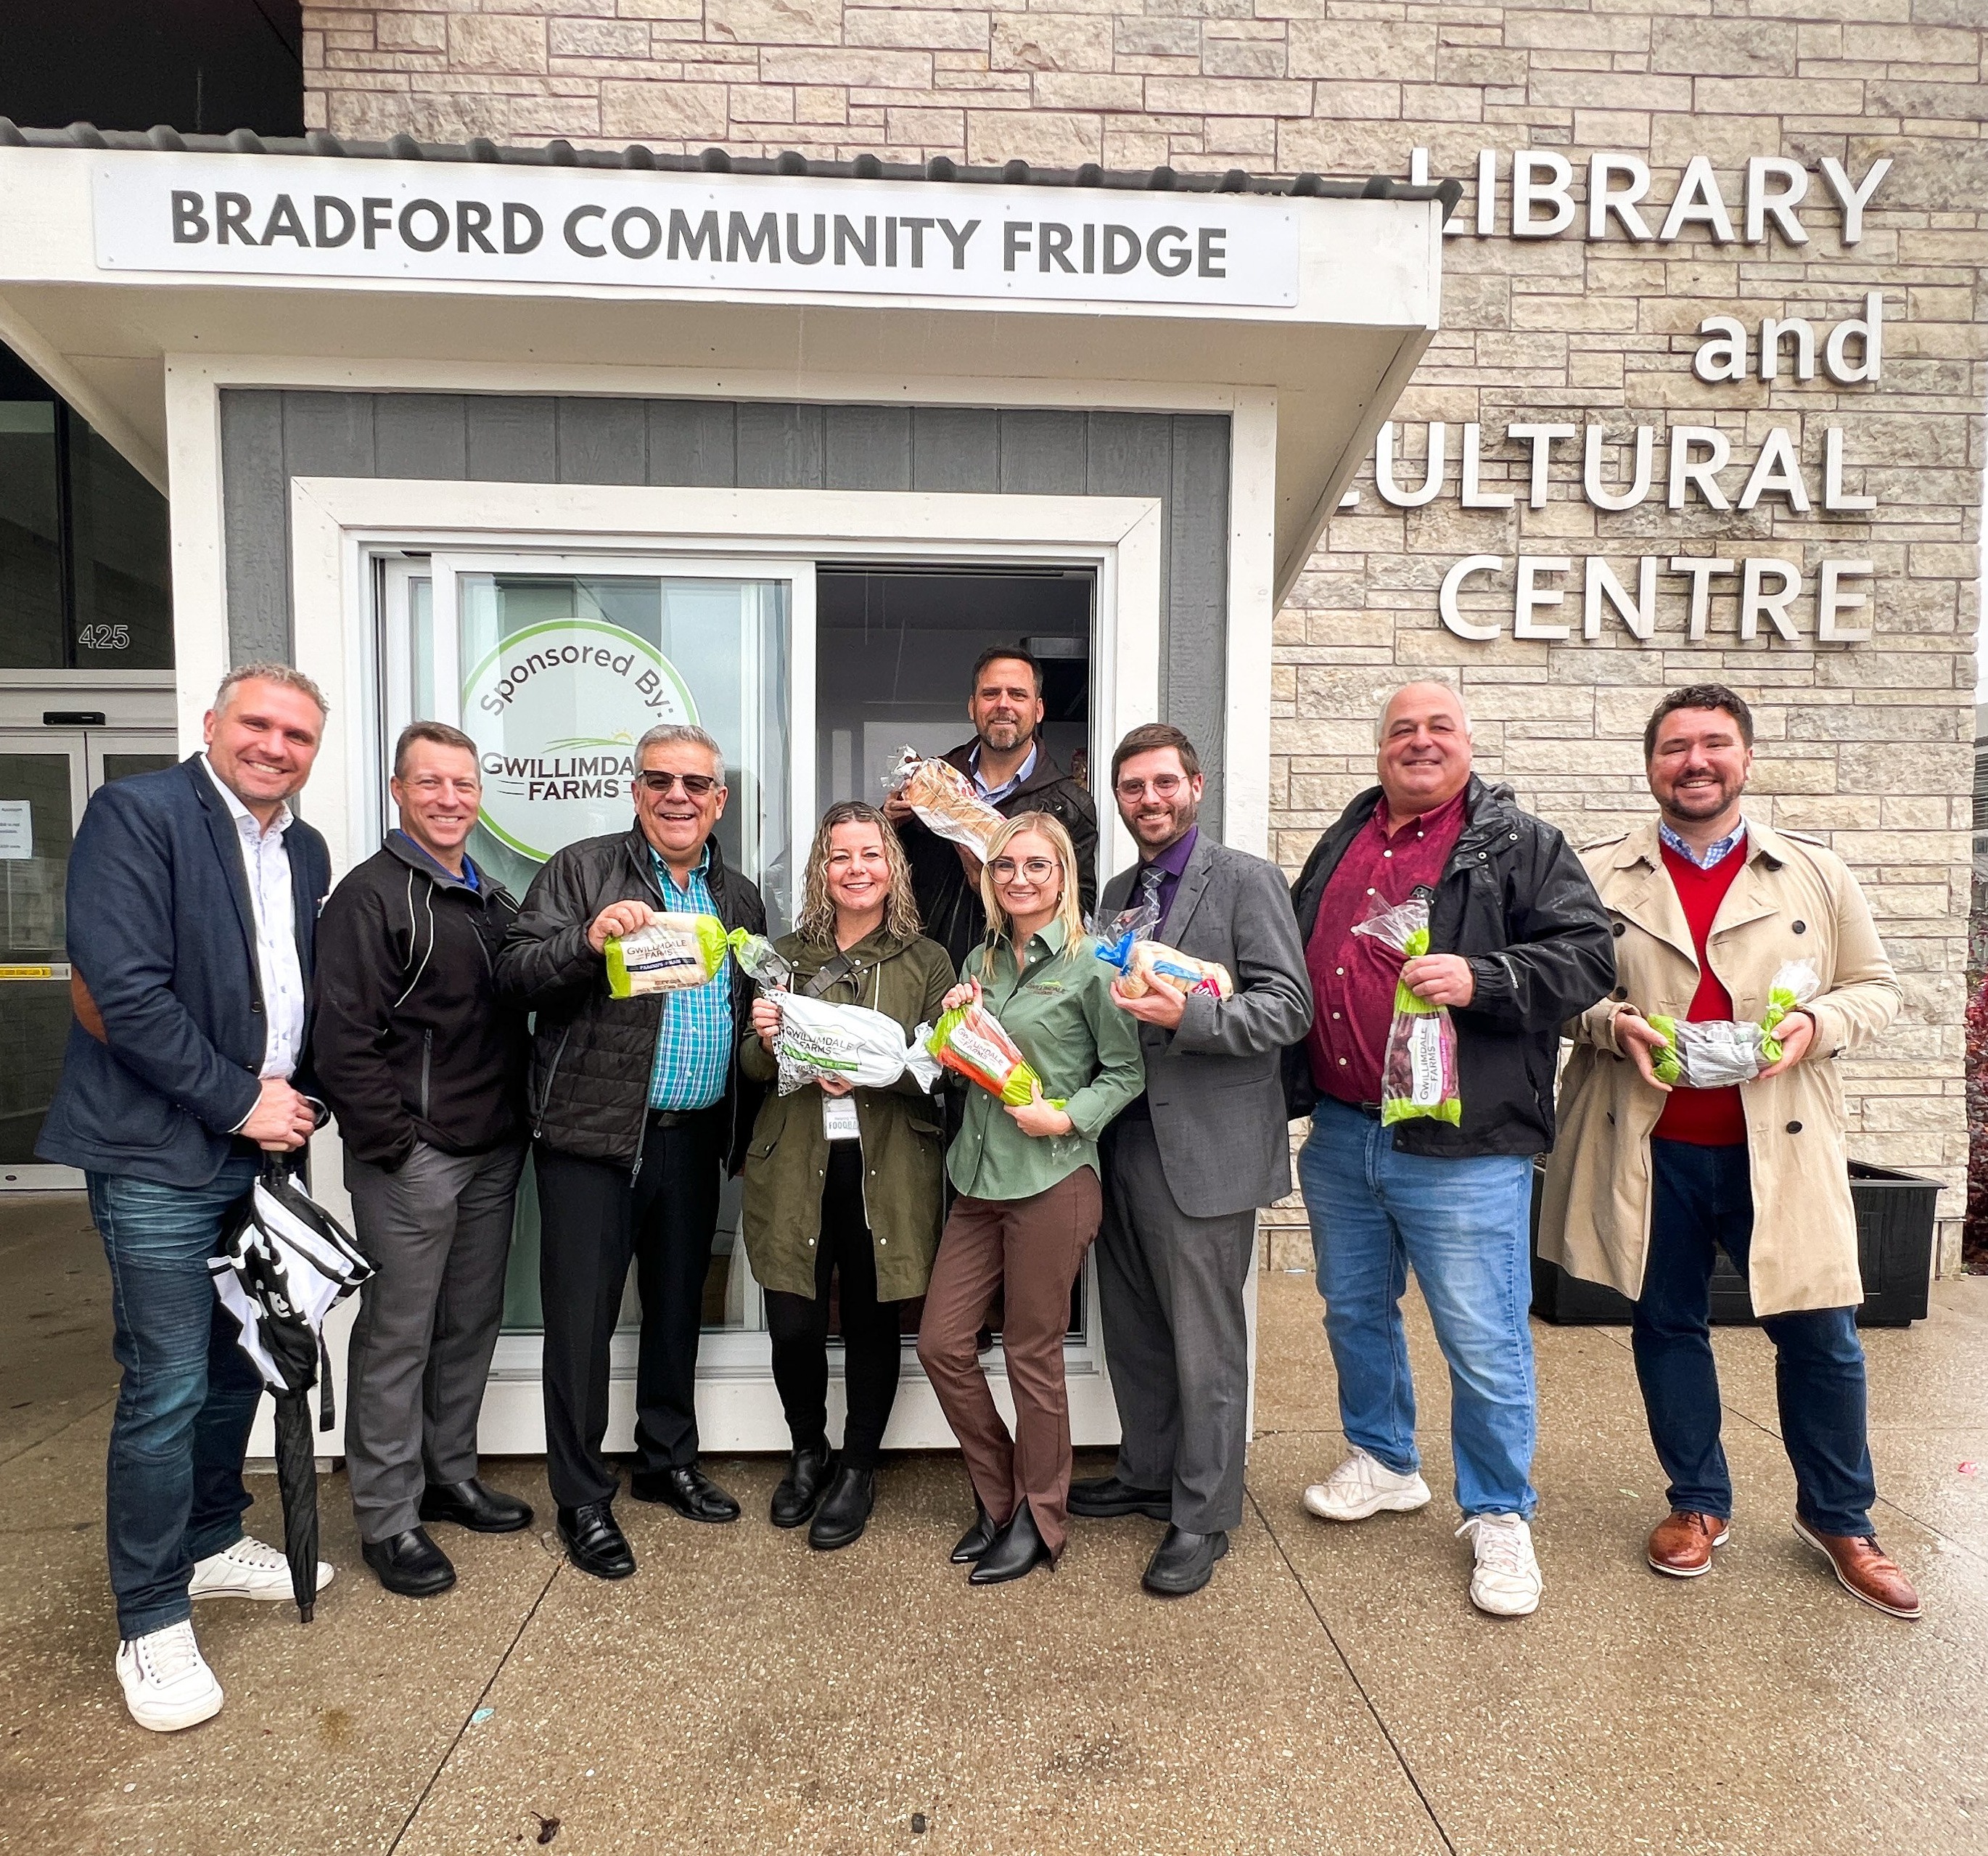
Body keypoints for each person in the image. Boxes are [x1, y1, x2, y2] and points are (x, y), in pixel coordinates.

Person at [1540, 685, 1919, 1619]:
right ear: (1650, 765)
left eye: (1714, 744)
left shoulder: (1815, 874)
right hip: (1651, 1142)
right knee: (1667, 1323)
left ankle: (1841, 1517)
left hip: (1777, 1145)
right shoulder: (1597, 873)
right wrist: (1609, 1021)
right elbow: (1555, 989)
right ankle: (1696, 1502)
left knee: (1820, 1334)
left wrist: (1816, 1025)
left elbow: (1874, 986)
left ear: (1745, 759)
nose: (1694, 761)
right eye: (1675, 747)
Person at [38, 665, 333, 1733]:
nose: (276, 745)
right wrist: (238, 1102)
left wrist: (300, 1101)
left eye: (297, 733)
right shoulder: (138, 814)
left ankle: (211, 1538)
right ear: (211, 725)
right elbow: (122, 988)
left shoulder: (302, 849)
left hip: (257, 1158)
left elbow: (293, 993)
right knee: (164, 1380)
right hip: (160, 1151)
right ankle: (150, 1616)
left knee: (234, 1361)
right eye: (257, 723)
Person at [1285, 682, 1614, 1618]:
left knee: (1482, 1335)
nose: (1418, 743)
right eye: (1400, 730)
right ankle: (1385, 1458)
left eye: (1438, 729)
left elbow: (1590, 957)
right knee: (1353, 1310)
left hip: (1464, 1144)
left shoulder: (1521, 843)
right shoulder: (1346, 835)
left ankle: (1500, 1510)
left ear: (1470, 742)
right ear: (1378, 748)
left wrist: (1487, 975)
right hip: (1346, 1128)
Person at [496, 723, 766, 1582]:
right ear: (636, 789)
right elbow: (513, 973)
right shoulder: (583, 869)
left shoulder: (739, 895)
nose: (678, 795)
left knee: (678, 1308)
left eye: (696, 783)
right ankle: (580, 1495)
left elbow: (753, 1005)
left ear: (719, 800)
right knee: (579, 1321)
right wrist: (585, 940)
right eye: (661, 780)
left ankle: (664, 1458)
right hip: (593, 1139)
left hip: (693, 1137)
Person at [1065, 725, 1313, 1596]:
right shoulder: (1121, 893)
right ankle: (1147, 1471)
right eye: (1131, 788)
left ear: (1195, 787)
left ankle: (1203, 1515)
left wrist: (1190, 1020)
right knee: (1133, 1325)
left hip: (1204, 1146)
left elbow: (1287, 1009)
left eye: (1163, 783)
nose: (1148, 800)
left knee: (1205, 1343)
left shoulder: (1244, 879)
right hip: (1122, 1136)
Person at [311, 721, 531, 1600]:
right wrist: (394, 1144)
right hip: (415, 1158)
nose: (449, 799)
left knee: (467, 1323)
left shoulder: (489, 896)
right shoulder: (369, 897)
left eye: (464, 784)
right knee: (399, 1334)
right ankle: (388, 1514)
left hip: (490, 1149)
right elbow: (342, 1040)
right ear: (397, 790)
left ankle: (448, 1474)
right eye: (431, 783)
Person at [916, 813, 1143, 1585]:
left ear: (1062, 877)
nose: (1019, 878)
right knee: (942, 1343)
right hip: (977, 1180)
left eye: (1037, 866)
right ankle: (1001, 1496)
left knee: (1029, 1354)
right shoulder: (980, 955)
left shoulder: (1089, 968)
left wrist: (1066, 1116)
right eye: (1006, 864)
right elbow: (967, 1059)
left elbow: (1124, 1072)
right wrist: (954, 1021)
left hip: (1052, 1181)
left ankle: (1042, 1518)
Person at [739, 802, 953, 1549]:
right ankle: (808, 1451)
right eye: (839, 856)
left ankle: (858, 1466)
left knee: (869, 1320)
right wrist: (769, 1042)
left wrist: (857, 1067)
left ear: (891, 864)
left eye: (870, 854)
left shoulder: (927, 959)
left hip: (884, 1168)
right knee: (793, 1321)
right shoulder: (782, 956)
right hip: (795, 1161)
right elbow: (753, 1067)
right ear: (820, 872)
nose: (855, 869)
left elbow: (934, 1070)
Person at [884, 645, 1098, 969]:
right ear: (973, 706)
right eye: (991, 693)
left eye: (1017, 694)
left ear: (1038, 709)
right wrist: (889, 826)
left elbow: (1078, 912)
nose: (1003, 705)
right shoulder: (931, 783)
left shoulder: (1069, 807)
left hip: (1020, 981)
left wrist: (990, 888)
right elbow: (887, 884)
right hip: (926, 974)